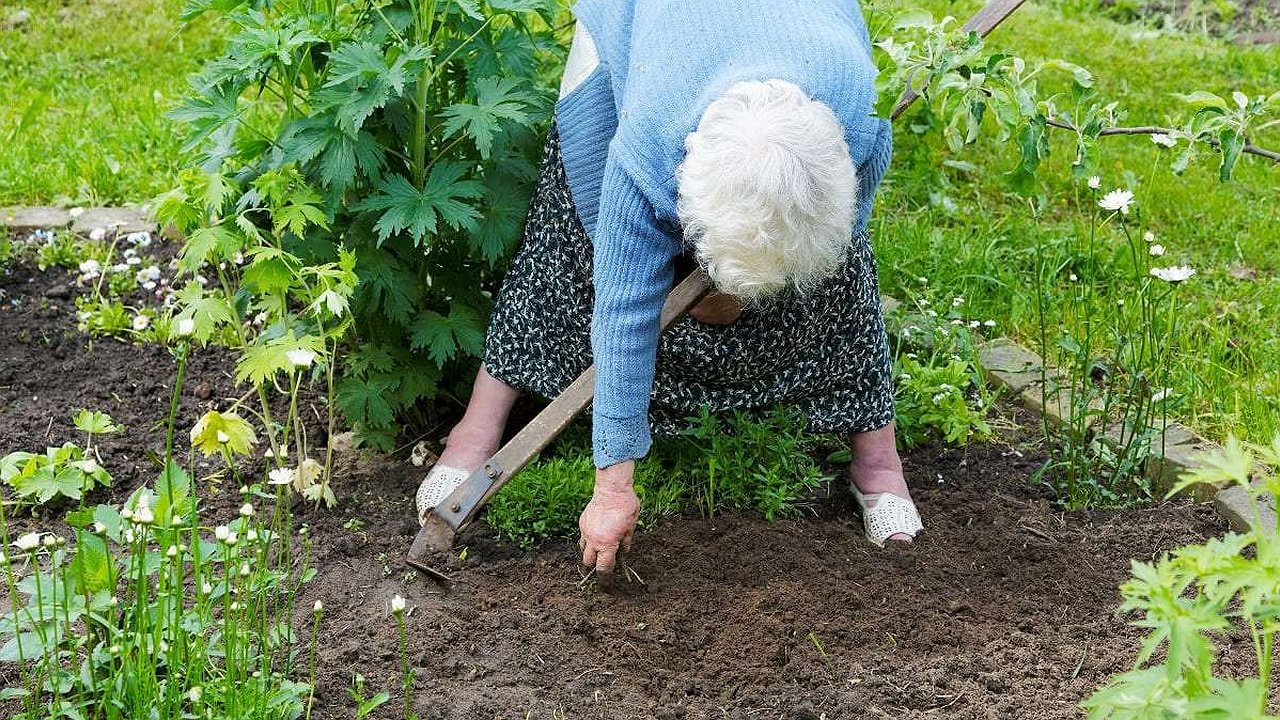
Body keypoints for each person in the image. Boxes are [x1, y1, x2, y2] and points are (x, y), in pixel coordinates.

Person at [416, 0, 923, 574]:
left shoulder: (854, 116)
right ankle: (474, 435)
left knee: (839, 269)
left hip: (793, 43)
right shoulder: (649, 142)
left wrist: (750, 278)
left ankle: (878, 463)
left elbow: (845, 219)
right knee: (571, 240)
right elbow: (623, 306)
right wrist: (613, 487)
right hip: (638, 27)